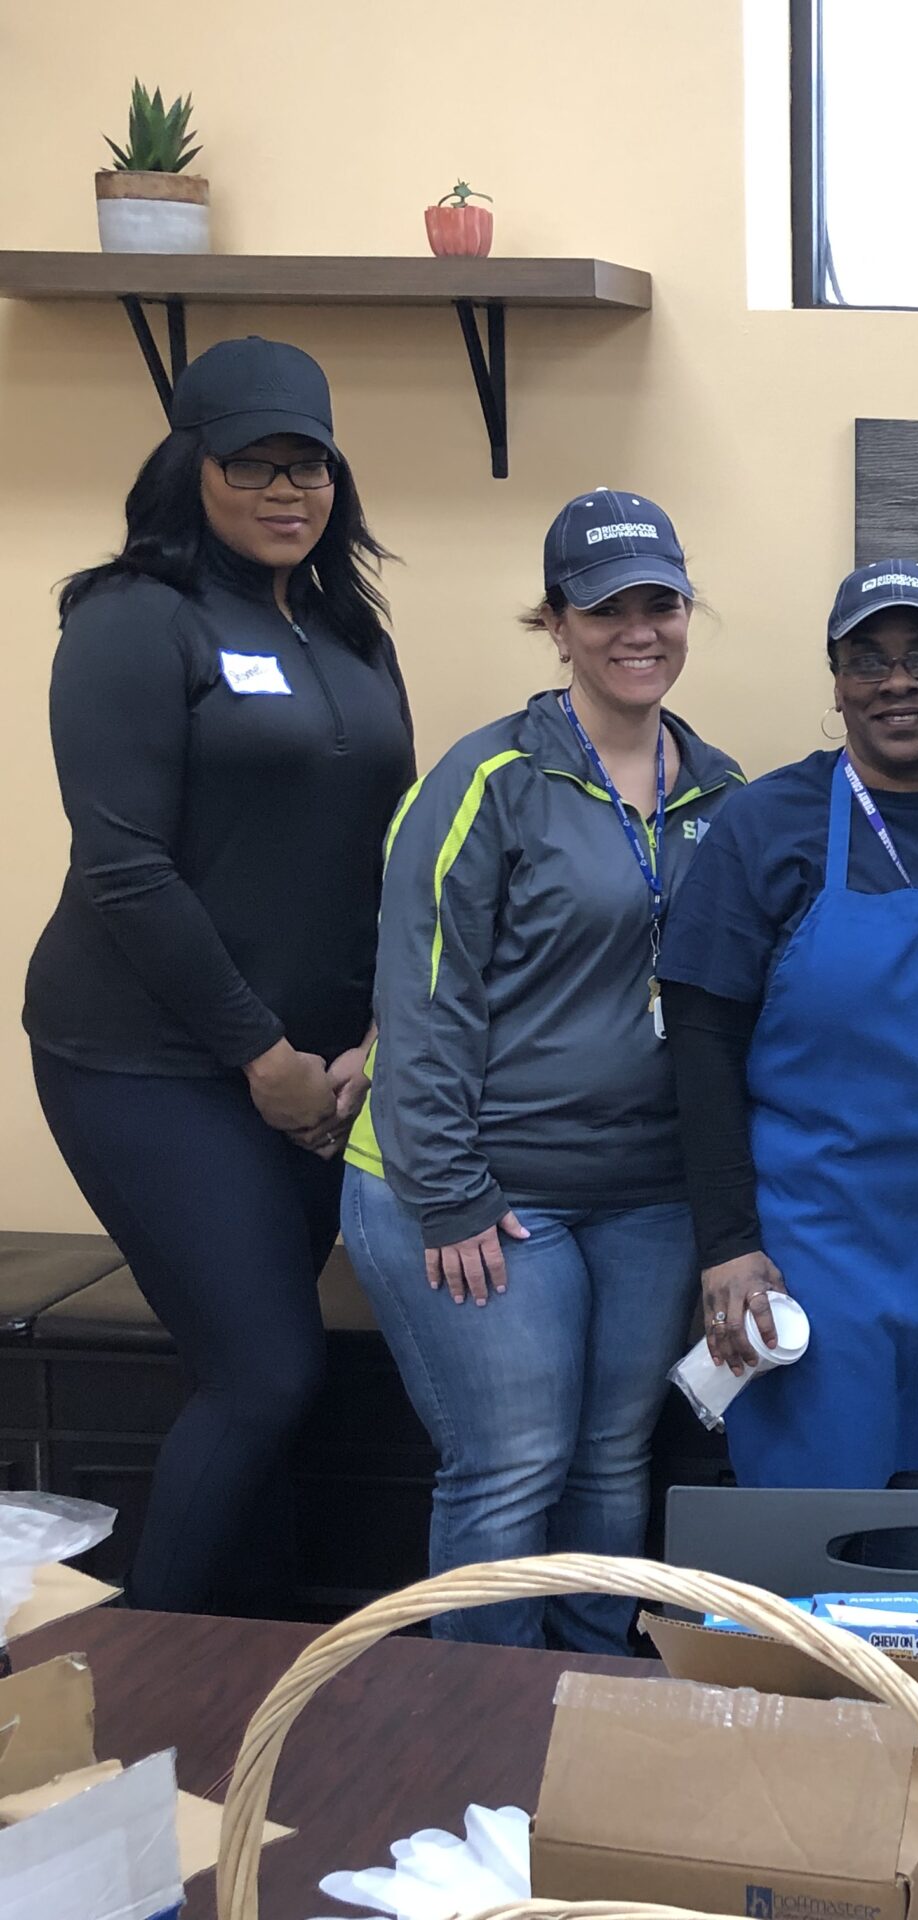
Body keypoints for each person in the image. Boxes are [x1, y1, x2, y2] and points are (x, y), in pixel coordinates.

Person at [24, 336, 414, 1616]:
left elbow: (383, 847)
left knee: (256, 1379)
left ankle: (257, 1660)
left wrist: (374, 1033)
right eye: (255, 463)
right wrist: (261, 1055)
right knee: (264, 1373)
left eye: (311, 465)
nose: (288, 490)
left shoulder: (348, 630)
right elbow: (124, 869)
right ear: (189, 466)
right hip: (147, 1063)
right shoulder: (133, 620)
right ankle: (133, 1680)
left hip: (317, 1072)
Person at [340, 489, 742, 1650]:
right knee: (511, 1463)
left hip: (646, 1194)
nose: (638, 631)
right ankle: (480, 1730)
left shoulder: (721, 790)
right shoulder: (487, 780)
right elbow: (421, 1000)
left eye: (660, 603)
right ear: (556, 624)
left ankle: (587, 1711)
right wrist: (448, 1189)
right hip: (482, 1190)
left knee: (612, 1458)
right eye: (605, 608)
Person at [659, 559, 918, 1490]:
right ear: (836, 680)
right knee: (809, 1525)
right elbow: (702, 1049)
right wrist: (727, 1243)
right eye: (868, 659)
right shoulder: (765, 827)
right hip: (810, 1249)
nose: (898, 681)